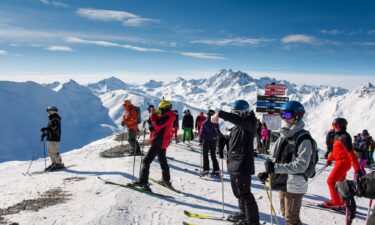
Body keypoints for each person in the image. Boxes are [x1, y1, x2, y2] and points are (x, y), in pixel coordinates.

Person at [258, 101, 313, 225]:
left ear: (297, 116)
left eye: (287, 115)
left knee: (291, 219)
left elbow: (301, 165)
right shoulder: (283, 136)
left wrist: (275, 168)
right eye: (282, 115)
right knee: (286, 215)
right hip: (283, 182)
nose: (284, 118)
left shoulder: (303, 138)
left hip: (295, 184)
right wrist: (269, 172)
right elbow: (276, 158)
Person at [211, 99, 260, 225]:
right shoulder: (238, 126)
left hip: (242, 164)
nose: (234, 115)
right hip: (234, 163)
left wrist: (220, 114)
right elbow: (233, 141)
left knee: (245, 194)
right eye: (233, 113)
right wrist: (222, 140)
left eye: (236, 113)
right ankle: (244, 214)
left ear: (243, 112)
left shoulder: (250, 122)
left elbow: (239, 121)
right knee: (238, 193)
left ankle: (252, 222)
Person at [321, 118, 361, 209]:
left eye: (336, 126)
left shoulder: (345, 137)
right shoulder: (336, 136)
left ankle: (336, 202)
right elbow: (335, 151)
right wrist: (330, 159)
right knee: (340, 183)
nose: (334, 128)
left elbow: (351, 154)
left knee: (330, 181)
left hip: (343, 164)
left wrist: (357, 169)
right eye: (333, 126)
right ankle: (342, 201)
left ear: (342, 126)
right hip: (339, 163)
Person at [136, 100, 176, 190]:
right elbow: (158, 123)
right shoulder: (168, 115)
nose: (160, 110)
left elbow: (158, 124)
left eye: (161, 109)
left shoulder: (168, 115)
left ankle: (143, 183)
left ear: (165, 108)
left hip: (159, 141)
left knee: (146, 161)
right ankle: (166, 181)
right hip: (163, 141)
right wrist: (152, 118)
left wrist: (153, 115)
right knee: (162, 160)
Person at [40, 106, 64, 171]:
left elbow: (54, 128)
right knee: (50, 152)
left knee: (54, 151)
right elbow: (50, 129)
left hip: (54, 138)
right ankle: (54, 163)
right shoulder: (52, 119)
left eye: (49, 111)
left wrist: (46, 129)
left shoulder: (55, 119)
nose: (48, 113)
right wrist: (45, 134)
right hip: (50, 138)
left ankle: (58, 163)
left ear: (52, 111)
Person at [199, 110, 220, 177]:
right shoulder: (216, 123)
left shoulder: (204, 123)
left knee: (205, 155)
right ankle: (216, 170)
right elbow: (217, 132)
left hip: (206, 140)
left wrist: (201, 139)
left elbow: (202, 132)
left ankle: (206, 170)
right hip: (213, 141)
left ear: (207, 115)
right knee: (213, 155)